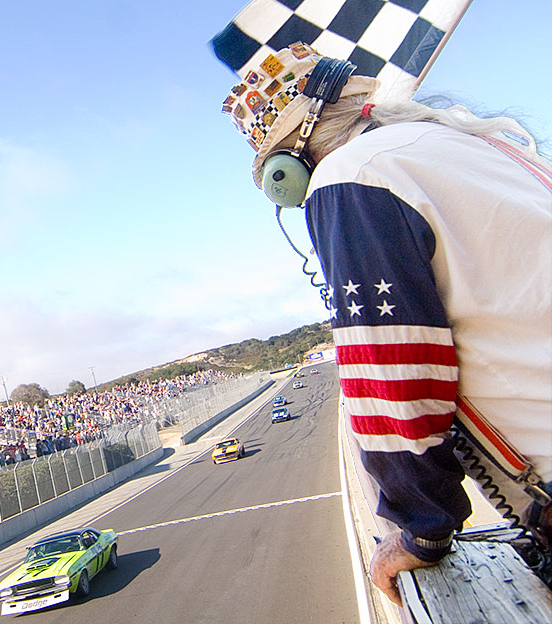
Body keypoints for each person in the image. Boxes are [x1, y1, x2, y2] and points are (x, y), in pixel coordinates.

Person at [220, 42, 552, 601]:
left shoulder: (348, 178)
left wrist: (423, 528)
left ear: (288, 167)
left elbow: (395, 376)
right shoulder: (472, 142)